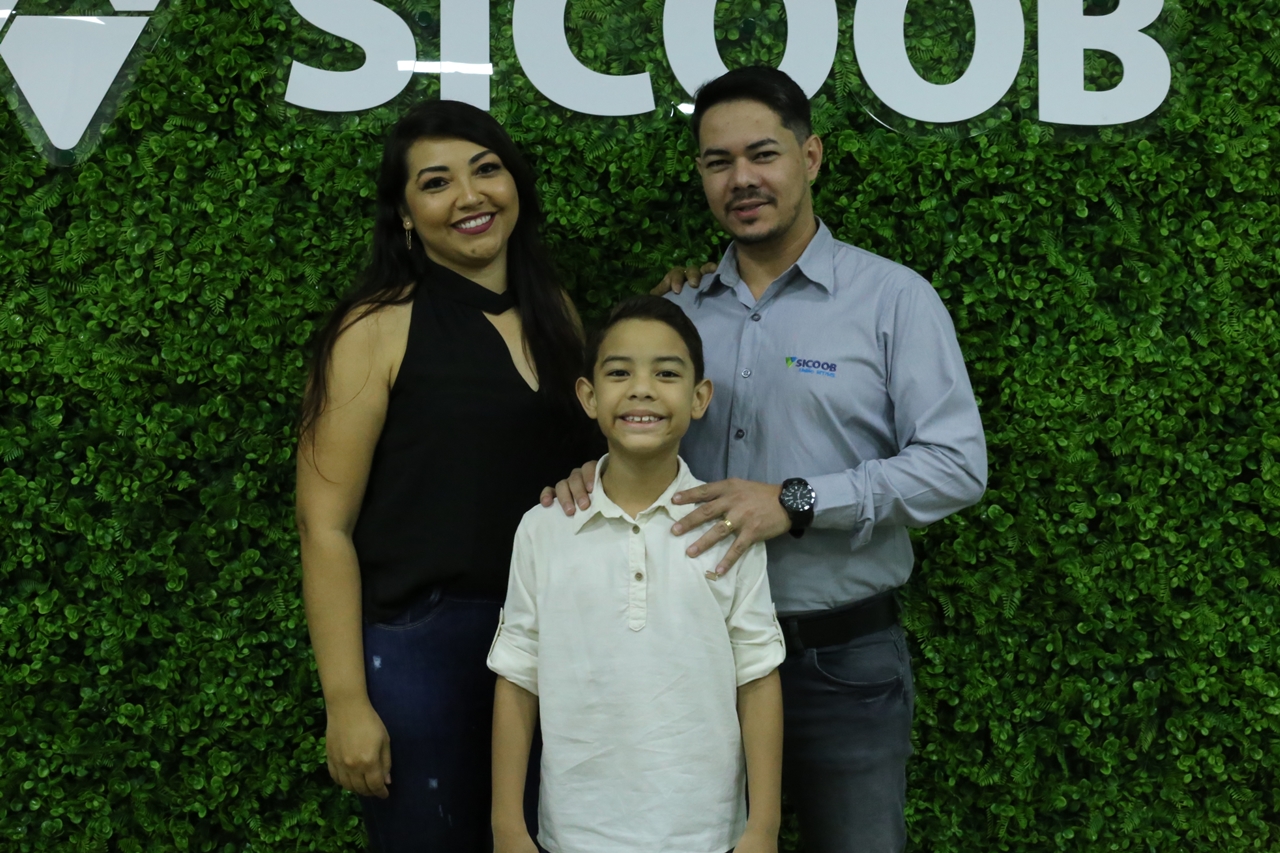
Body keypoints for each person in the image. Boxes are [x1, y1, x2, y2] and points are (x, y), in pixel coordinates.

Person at [543, 67, 988, 853]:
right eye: (719, 162)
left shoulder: (893, 300)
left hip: (840, 661)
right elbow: (632, 437)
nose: (741, 178)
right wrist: (594, 476)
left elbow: (956, 465)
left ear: (809, 157)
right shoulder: (673, 315)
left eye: (763, 154)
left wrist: (796, 500)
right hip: (689, 659)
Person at [295, 100, 599, 852]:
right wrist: (346, 700)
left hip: (556, 639)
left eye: (486, 169)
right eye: (436, 183)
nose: (469, 195)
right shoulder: (375, 327)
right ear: (404, 215)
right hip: (424, 649)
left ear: (515, 184)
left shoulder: (558, 314)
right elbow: (324, 526)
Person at [490, 296, 787, 853]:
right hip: (576, 833)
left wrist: (762, 829)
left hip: (704, 833)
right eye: (619, 373)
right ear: (588, 396)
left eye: (666, 373)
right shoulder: (543, 529)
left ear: (700, 397)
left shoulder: (728, 528)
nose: (642, 389)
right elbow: (517, 675)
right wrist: (508, 827)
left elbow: (758, 674)